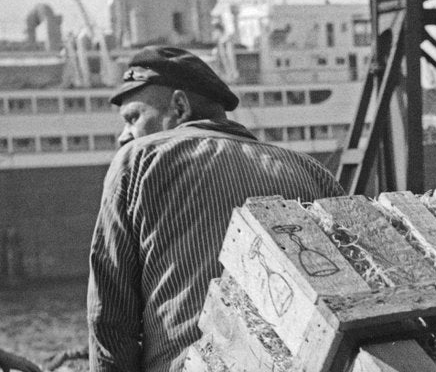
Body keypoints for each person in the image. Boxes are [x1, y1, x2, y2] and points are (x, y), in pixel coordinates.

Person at [88, 46, 344, 372]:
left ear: (180, 106)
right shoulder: (311, 171)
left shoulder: (138, 161)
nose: (124, 135)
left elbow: (110, 321)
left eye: (133, 118)